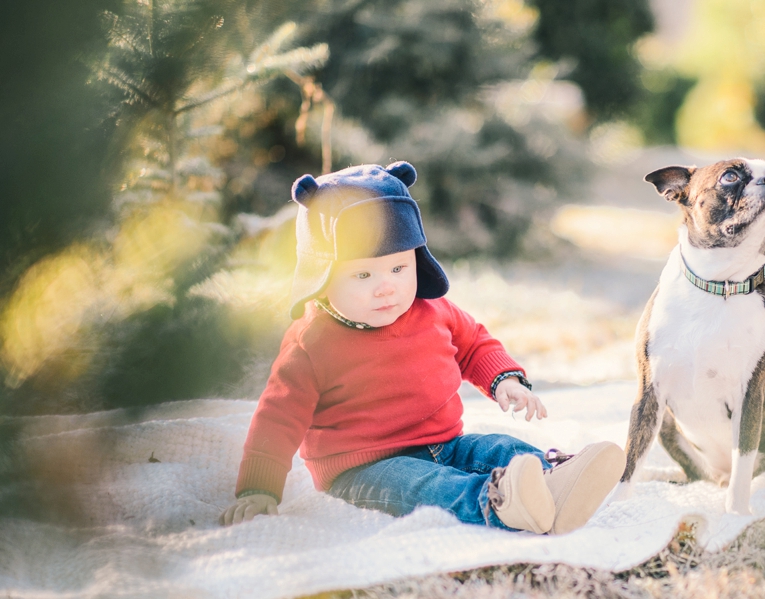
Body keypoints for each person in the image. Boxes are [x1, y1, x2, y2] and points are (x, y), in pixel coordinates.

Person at [220, 161, 625, 535]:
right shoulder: (312, 342)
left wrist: (506, 380)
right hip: (366, 469)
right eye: (363, 273)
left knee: (497, 447)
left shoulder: (432, 310)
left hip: (444, 444)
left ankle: (557, 481)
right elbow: (277, 418)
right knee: (427, 485)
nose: (387, 286)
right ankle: (500, 503)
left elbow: (474, 345)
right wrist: (258, 489)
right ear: (321, 276)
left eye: (399, 268)